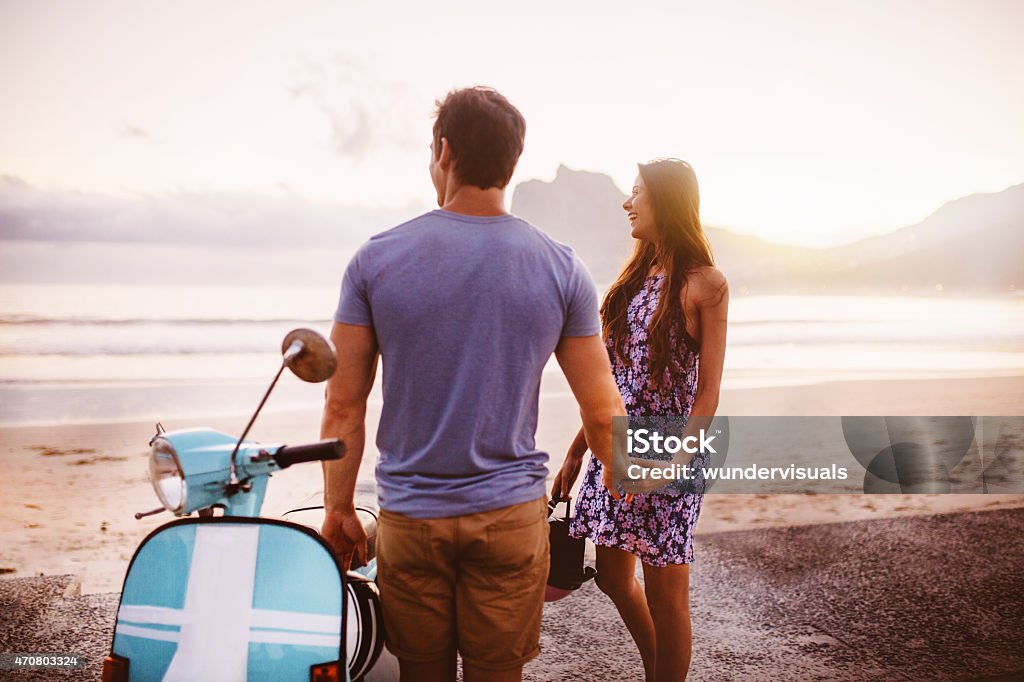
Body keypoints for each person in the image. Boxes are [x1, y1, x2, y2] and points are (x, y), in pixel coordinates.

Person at [319, 86, 627, 682]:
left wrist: (338, 510)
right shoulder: (561, 267)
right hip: (510, 518)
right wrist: (628, 492)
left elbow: (342, 404)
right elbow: (603, 410)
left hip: (411, 517)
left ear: (443, 149)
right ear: (513, 162)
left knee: (422, 673)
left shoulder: (375, 260)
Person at [552, 158, 728, 681]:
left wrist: (672, 464)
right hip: (615, 447)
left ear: (667, 202)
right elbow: (609, 380)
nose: (627, 203)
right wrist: (577, 448)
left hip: (670, 448)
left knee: (666, 591)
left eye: (637, 193)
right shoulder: (632, 279)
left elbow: (708, 393)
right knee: (610, 574)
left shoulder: (706, 284)